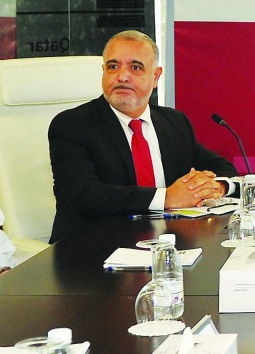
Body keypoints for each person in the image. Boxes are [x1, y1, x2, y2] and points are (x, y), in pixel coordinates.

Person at [48, 30, 237, 243]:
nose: (122, 76)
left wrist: (215, 186)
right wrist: (168, 197)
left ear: (156, 77)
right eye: (113, 66)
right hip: (90, 252)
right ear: (103, 72)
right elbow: (86, 195)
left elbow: (222, 167)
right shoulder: (72, 125)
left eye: (135, 67)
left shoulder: (174, 122)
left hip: (167, 246)